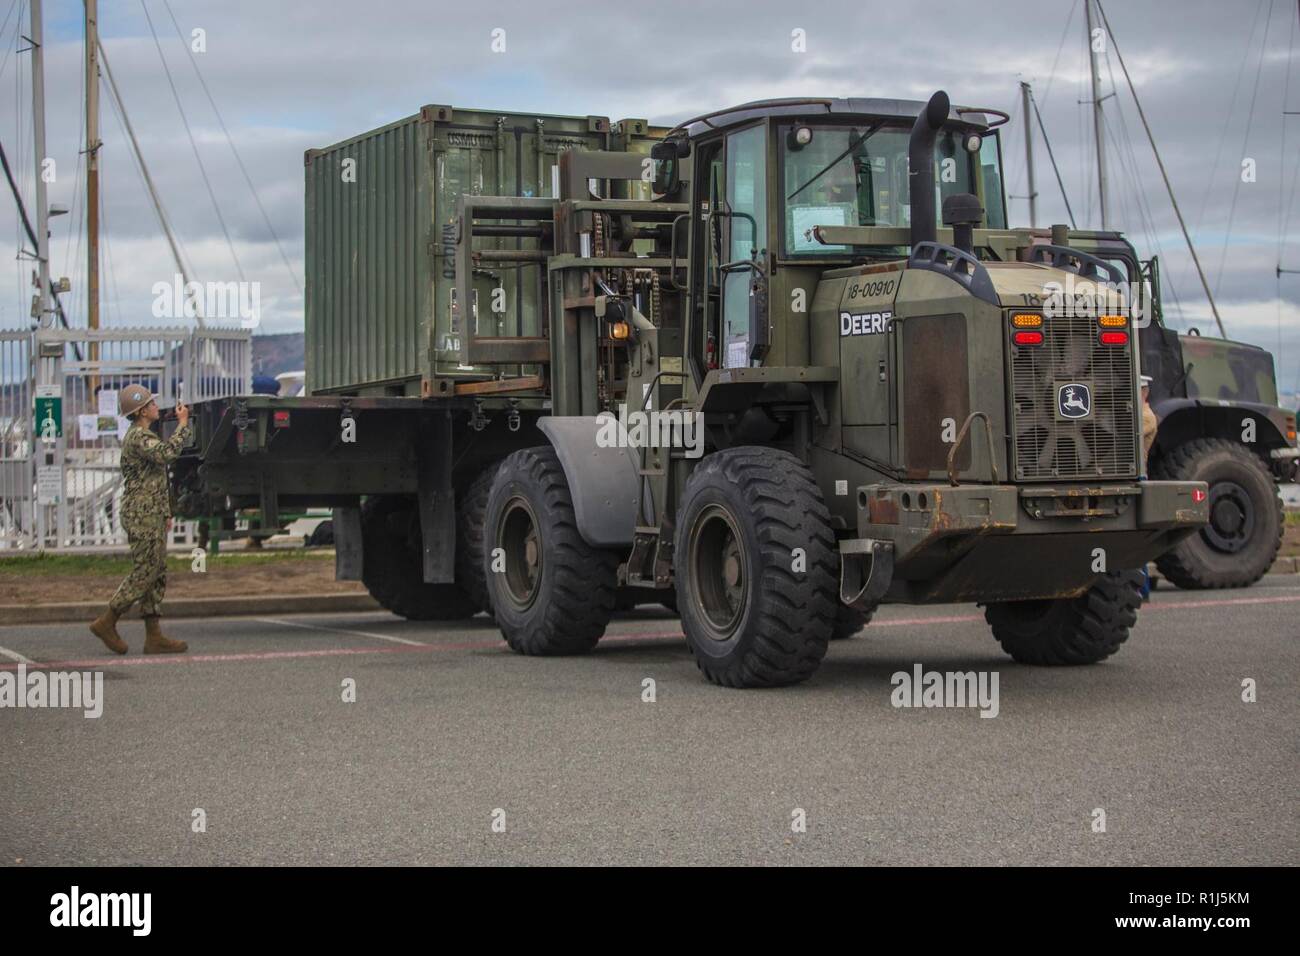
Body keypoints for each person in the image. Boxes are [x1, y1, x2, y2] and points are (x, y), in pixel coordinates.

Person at [89, 385, 193, 654]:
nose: (156, 406)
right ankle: (107, 620)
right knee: (145, 572)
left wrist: (166, 511)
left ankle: (153, 635)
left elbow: (156, 477)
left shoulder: (144, 434)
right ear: (142, 411)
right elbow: (166, 454)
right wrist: (183, 424)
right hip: (141, 514)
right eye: (152, 403)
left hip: (152, 513)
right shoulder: (137, 437)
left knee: (156, 573)